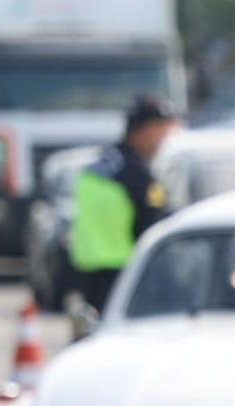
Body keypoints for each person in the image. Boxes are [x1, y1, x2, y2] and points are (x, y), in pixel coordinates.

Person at [70, 94, 177, 313]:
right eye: (160, 130)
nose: (163, 140)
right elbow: (152, 225)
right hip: (123, 271)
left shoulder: (103, 163)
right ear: (144, 130)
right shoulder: (135, 172)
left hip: (89, 268)